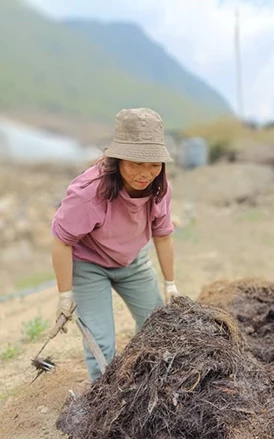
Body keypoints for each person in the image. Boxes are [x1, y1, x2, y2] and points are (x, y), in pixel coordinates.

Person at [48, 108, 181, 383]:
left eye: (154, 164)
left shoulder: (159, 189)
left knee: (157, 324)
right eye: (136, 164)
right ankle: (104, 396)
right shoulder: (88, 193)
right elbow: (61, 241)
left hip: (133, 260)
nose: (145, 174)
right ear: (117, 159)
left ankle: (150, 383)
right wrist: (65, 295)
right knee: (101, 343)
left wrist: (170, 283)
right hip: (88, 265)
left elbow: (163, 235)